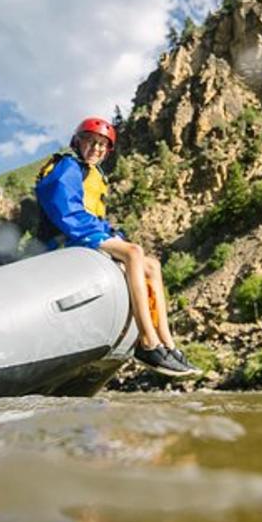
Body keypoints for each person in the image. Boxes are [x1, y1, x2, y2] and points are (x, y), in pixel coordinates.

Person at [35, 117, 198, 377]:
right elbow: (66, 212)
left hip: (84, 234)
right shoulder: (67, 166)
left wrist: (111, 234)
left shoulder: (94, 173)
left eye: (102, 145)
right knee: (133, 252)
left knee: (152, 266)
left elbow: (94, 217)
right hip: (65, 239)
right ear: (78, 141)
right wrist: (107, 237)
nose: (96, 148)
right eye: (90, 141)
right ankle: (148, 342)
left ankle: (168, 344)